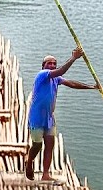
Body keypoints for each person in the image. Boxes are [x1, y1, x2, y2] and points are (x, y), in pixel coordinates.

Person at [25, 49, 99, 182]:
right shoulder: (42, 74)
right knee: (37, 145)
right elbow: (60, 71)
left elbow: (71, 83)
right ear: (43, 66)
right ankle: (29, 161)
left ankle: (45, 174)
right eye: (49, 63)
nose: (52, 65)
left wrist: (91, 87)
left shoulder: (56, 79)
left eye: (54, 63)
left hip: (49, 118)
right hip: (36, 117)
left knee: (50, 144)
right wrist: (73, 58)